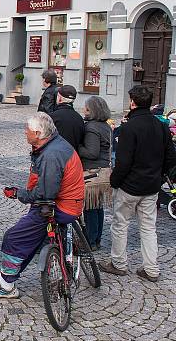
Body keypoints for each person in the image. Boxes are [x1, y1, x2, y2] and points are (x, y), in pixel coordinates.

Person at [0, 113, 84, 298]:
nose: (24, 132)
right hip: (66, 202)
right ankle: (8, 277)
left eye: (27, 130)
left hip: (58, 207)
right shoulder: (55, 143)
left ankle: (6, 287)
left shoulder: (51, 155)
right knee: (29, 238)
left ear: (38, 133)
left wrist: (18, 194)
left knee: (14, 238)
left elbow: (45, 193)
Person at [100, 86, 176, 282]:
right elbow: (171, 155)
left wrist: (115, 181)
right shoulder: (160, 126)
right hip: (151, 186)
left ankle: (118, 263)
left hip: (129, 186)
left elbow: (123, 162)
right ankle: (151, 269)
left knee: (120, 224)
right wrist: (161, 176)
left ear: (132, 102)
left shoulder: (129, 128)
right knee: (149, 228)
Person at [77, 96, 113, 251]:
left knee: (91, 208)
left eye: (85, 107)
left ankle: (90, 241)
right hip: (104, 172)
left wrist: (77, 146)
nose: (83, 109)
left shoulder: (91, 127)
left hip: (93, 173)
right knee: (98, 208)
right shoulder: (104, 125)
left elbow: (92, 153)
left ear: (91, 110)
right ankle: (96, 239)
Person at [50, 85, 85, 150]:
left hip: (56, 155)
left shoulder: (52, 116)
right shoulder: (79, 118)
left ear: (59, 98)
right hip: (73, 156)